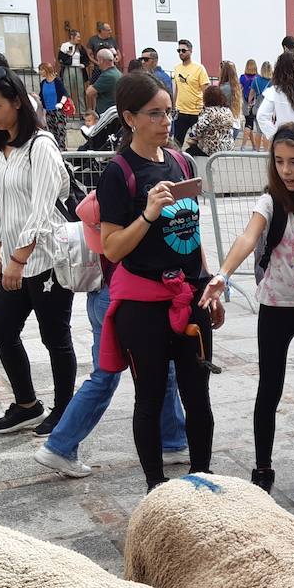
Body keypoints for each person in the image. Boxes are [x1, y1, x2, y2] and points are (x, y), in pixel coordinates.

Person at [97, 71, 220, 490]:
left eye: (168, 111)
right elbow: (111, 248)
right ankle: (156, 486)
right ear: (129, 117)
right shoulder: (119, 172)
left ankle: (201, 479)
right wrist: (147, 213)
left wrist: (206, 283)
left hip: (188, 298)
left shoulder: (181, 161)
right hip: (143, 305)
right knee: (149, 398)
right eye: (155, 113)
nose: (166, 121)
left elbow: (190, 231)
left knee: (198, 397)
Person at [34, 178, 190, 479]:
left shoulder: (105, 199)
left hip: (101, 295)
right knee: (107, 377)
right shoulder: (127, 200)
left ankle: (173, 441)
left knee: (159, 370)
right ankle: (60, 445)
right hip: (119, 297)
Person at [212, 122, 294, 492]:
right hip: (277, 307)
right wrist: (223, 273)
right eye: (279, 161)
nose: (286, 170)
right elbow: (248, 236)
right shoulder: (270, 202)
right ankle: (262, 467)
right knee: (270, 387)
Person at [0, 65, 77, 436]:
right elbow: (2, 199)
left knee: (55, 337)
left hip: (45, 257)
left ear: (17, 101)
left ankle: (65, 410)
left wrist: (19, 257)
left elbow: (42, 208)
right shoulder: (6, 148)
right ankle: (26, 403)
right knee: (2, 329)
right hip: (16, 257)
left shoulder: (41, 146)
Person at [171, 39, 209, 143]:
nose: (181, 53)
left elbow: (206, 90)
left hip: (196, 112)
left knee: (197, 142)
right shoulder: (177, 68)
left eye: (183, 50)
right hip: (181, 111)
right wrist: (173, 106)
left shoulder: (199, 68)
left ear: (190, 51)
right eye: (178, 51)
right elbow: (177, 88)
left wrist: (206, 109)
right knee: (177, 142)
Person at [185, 84, 235, 155]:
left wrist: (191, 135)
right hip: (228, 148)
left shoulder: (209, 112)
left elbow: (197, 130)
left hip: (211, 149)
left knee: (188, 153)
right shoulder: (228, 111)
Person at [57, 30, 89, 110]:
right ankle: (68, 111)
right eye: (78, 37)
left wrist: (84, 65)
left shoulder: (80, 48)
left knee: (80, 91)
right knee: (68, 90)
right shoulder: (65, 46)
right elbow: (60, 58)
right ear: (72, 37)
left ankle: (82, 111)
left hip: (79, 69)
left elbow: (86, 59)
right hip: (69, 69)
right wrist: (69, 55)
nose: (79, 39)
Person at [85, 49, 120, 115]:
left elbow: (89, 92)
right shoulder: (117, 73)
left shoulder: (107, 75)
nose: (97, 63)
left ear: (101, 60)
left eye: (98, 60)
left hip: (106, 114)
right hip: (113, 111)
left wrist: (94, 80)